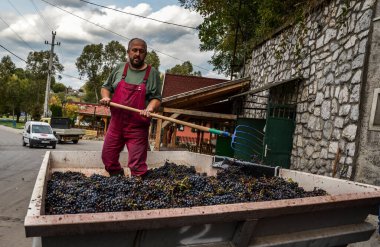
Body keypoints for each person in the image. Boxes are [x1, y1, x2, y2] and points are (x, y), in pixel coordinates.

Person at [100, 38, 162, 177]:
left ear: (145, 54)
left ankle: (137, 191)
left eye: (141, 51)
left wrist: (150, 108)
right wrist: (106, 97)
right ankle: (118, 177)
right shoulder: (119, 68)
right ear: (128, 52)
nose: (137, 54)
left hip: (138, 126)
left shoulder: (153, 74)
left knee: (137, 165)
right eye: (134, 50)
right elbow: (106, 87)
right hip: (116, 124)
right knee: (108, 159)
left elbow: (156, 98)